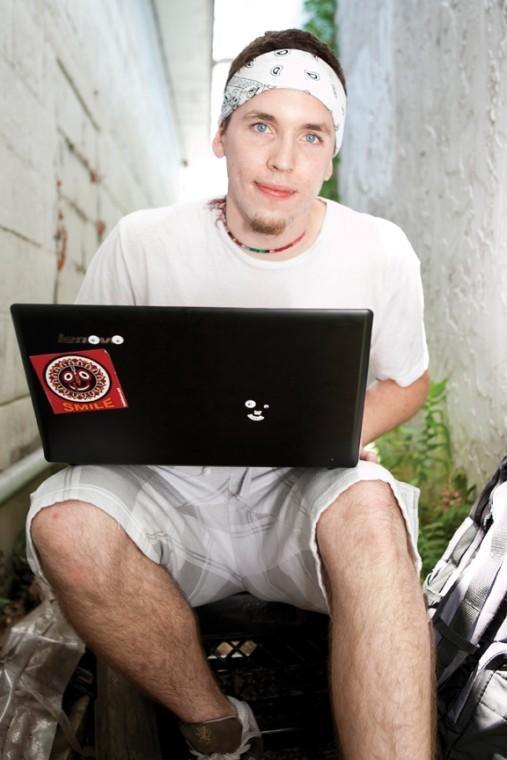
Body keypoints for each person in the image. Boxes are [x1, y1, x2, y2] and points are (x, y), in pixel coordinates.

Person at [27, 28, 435, 760]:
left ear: (331, 150)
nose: (284, 160)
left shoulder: (376, 249)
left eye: (310, 135)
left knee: (372, 505)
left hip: (302, 498)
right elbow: (82, 382)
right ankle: (215, 726)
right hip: (173, 502)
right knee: (62, 523)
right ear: (221, 136)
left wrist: (342, 428)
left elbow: (407, 381)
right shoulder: (142, 242)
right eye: (260, 126)